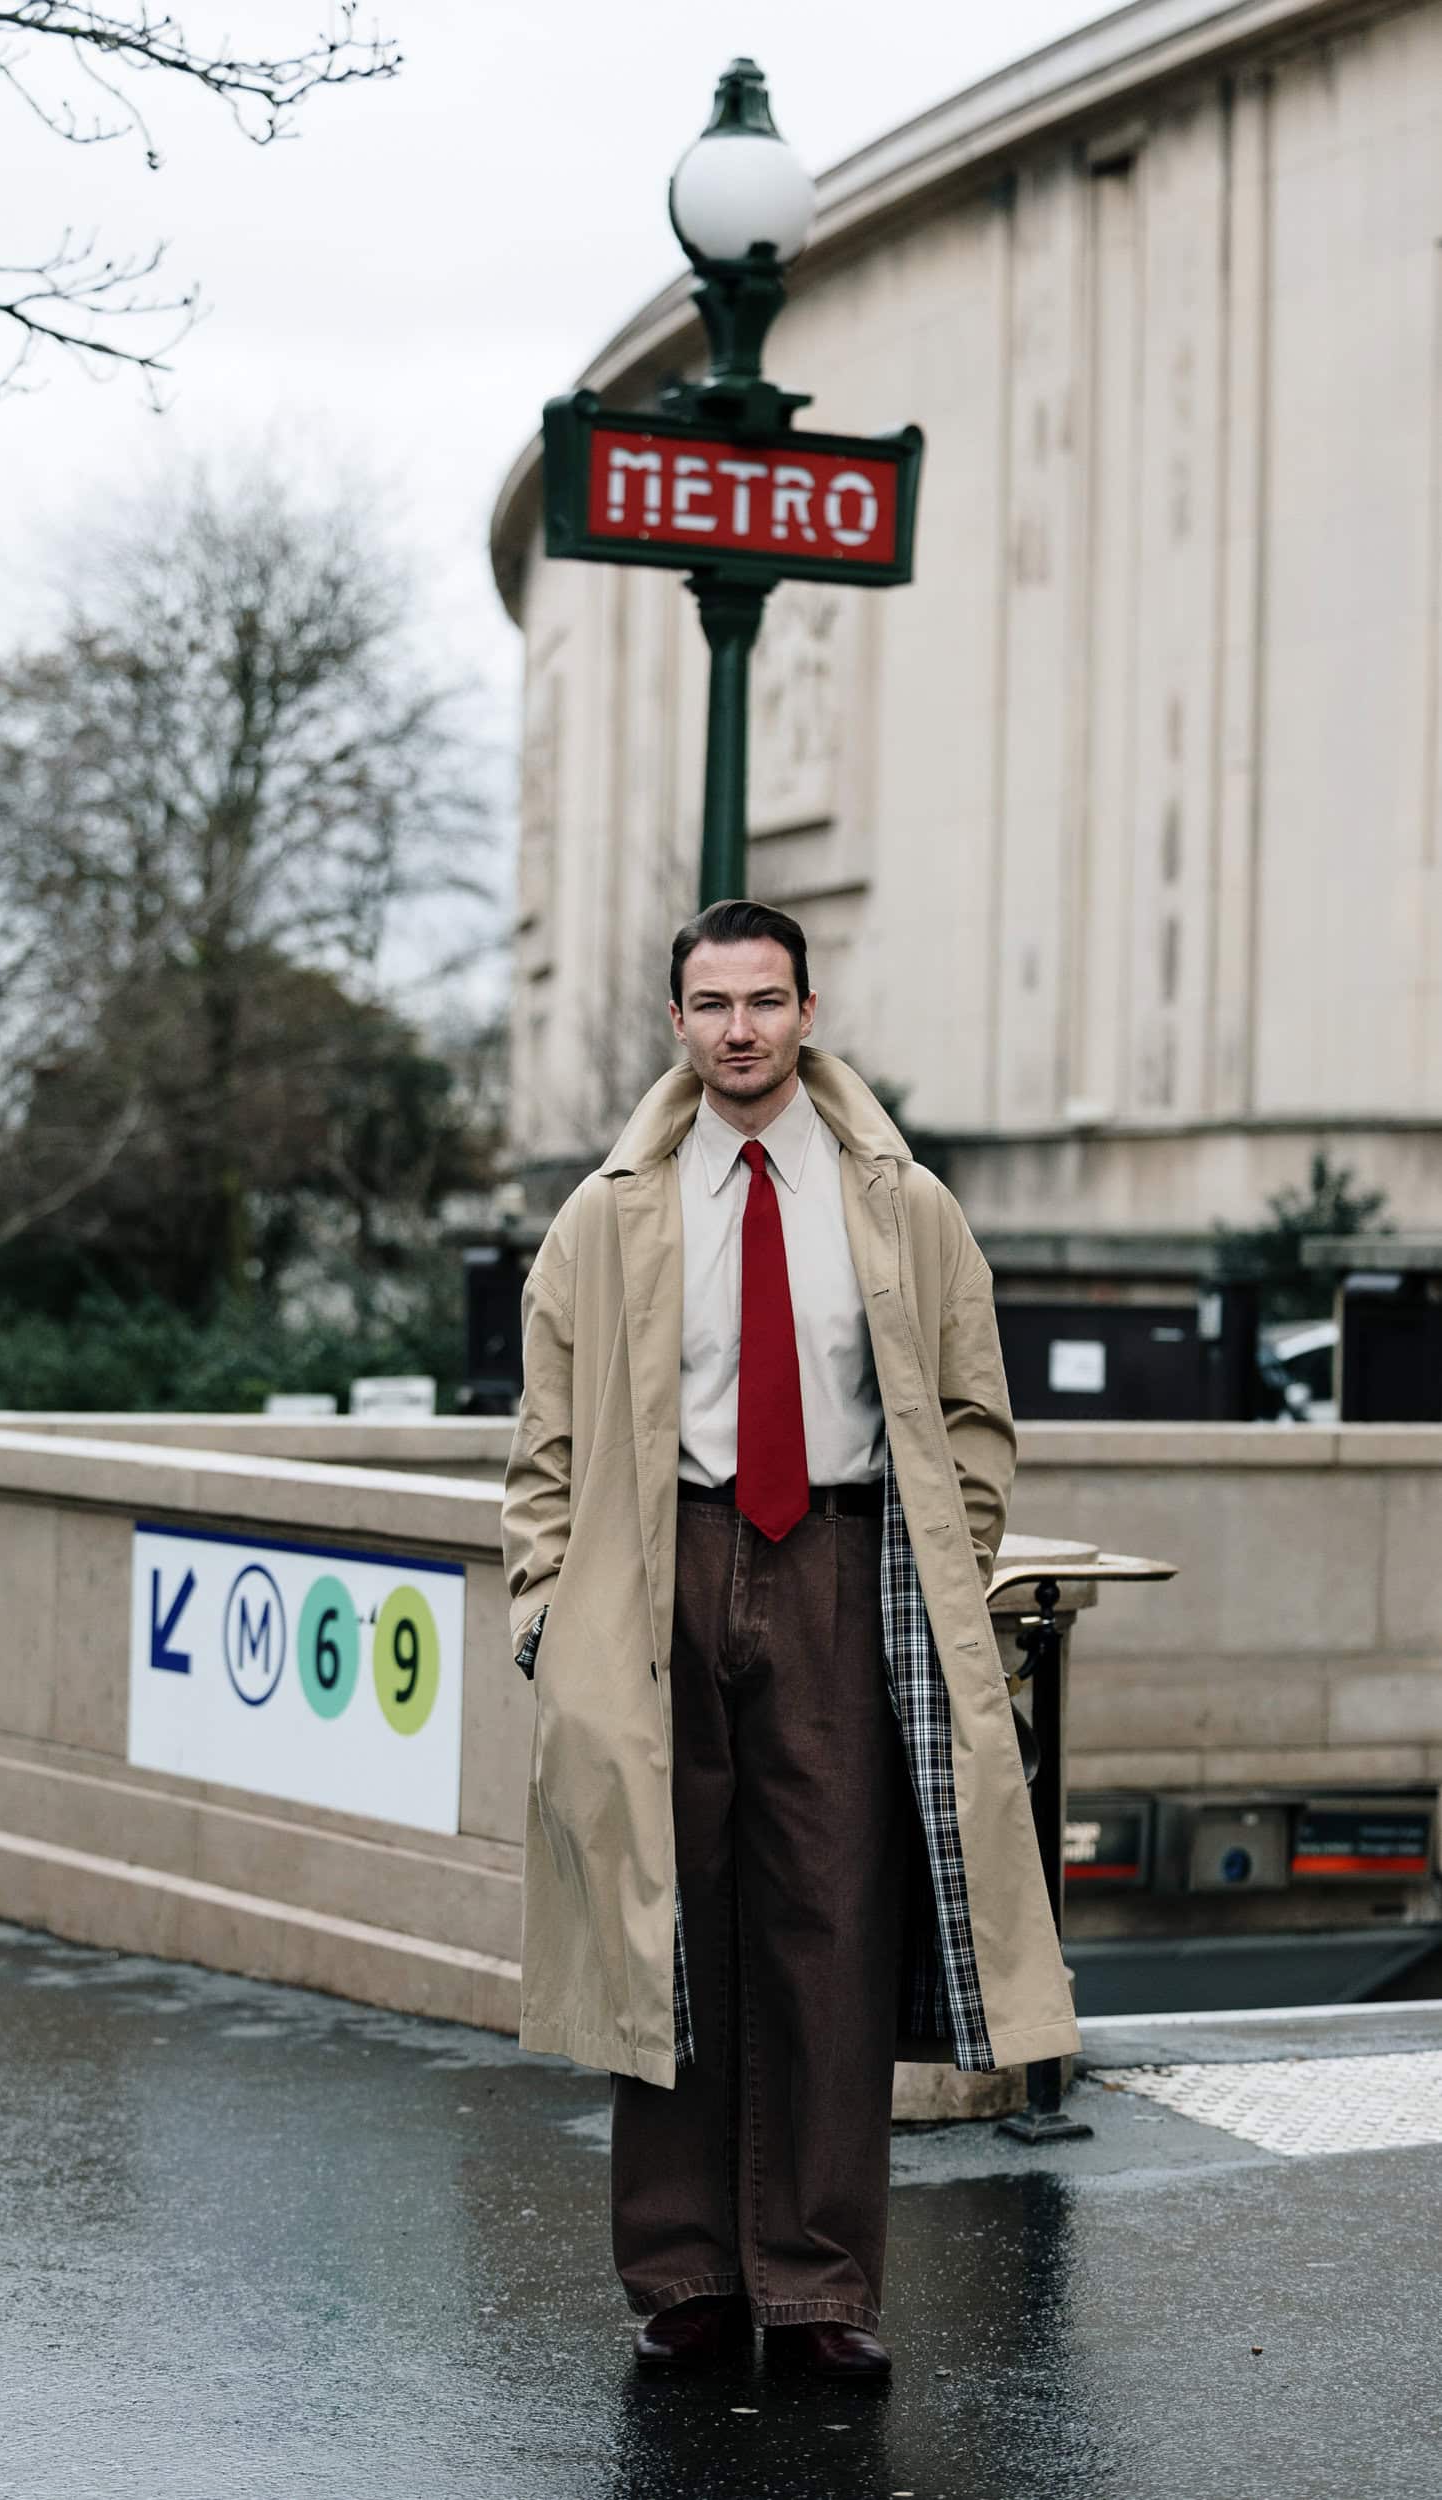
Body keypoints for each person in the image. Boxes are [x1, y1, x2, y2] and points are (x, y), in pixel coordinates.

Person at [501, 899, 1078, 2380]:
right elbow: (546, 1446)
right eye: (713, 1004)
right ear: (678, 1023)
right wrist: (544, 1612)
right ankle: (685, 2271)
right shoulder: (607, 1213)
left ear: (809, 1013)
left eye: (766, 1000)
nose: (740, 1029)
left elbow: (971, 1414)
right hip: (662, 1574)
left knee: (829, 1924)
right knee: (669, 1926)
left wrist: (950, 1562)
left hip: (835, 1563)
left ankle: (820, 2285)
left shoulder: (901, 1202)